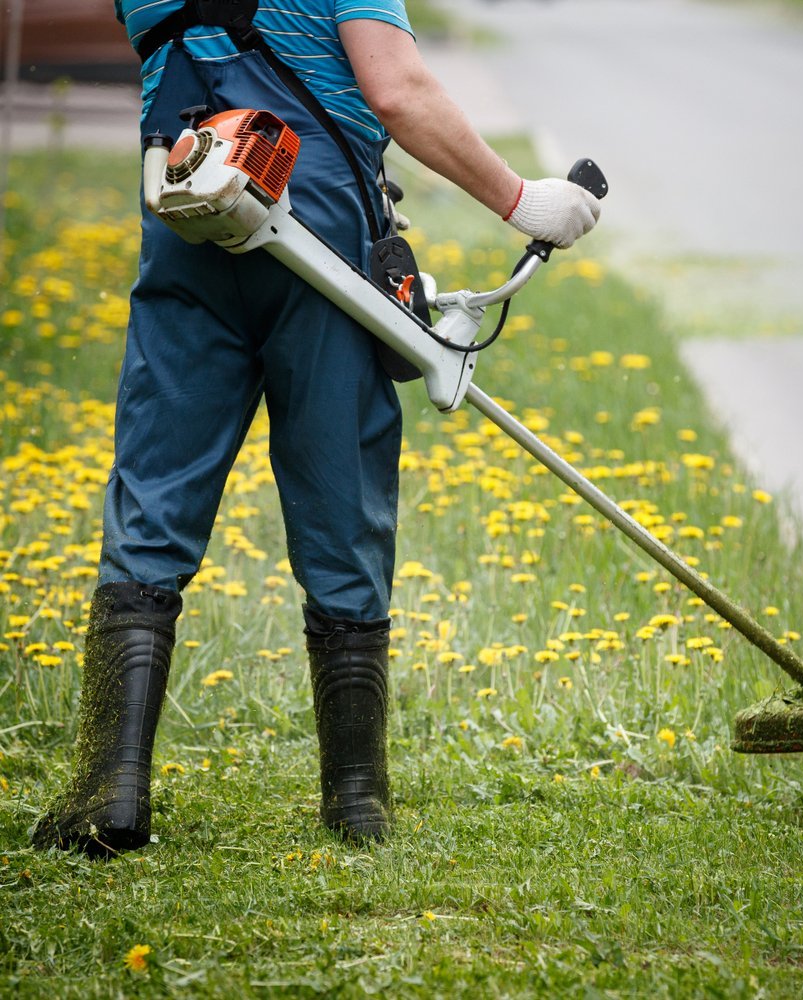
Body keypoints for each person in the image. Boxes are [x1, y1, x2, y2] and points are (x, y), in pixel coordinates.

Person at [31, 0, 600, 856]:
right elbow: (397, 89)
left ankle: (108, 795)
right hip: (317, 219)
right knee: (341, 488)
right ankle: (357, 800)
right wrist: (522, 201)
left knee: (155, 484)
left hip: (191, 207)